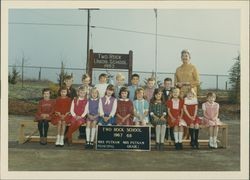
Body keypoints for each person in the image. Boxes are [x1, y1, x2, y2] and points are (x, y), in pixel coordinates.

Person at [78, 73, 92, 139]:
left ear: (89, 81)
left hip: (89, 107)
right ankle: (82, 133)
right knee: (80, 117)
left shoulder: (91, 89)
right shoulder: (79, 88)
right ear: (82, 81)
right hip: (81, 107)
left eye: (88, 81)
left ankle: (88, 134)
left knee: (88, 119)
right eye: (85, 81)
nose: (86, 82)